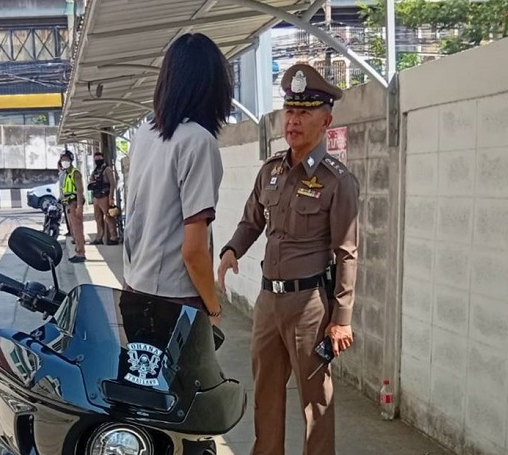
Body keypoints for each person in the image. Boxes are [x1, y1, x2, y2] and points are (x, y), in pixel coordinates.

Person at [217, 63, 360, 455]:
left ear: (325, 121)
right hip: (268, 302)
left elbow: (347, 252)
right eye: (290, 111)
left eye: (304, 113)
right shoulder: (271, 170)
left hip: (309, 306)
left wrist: (341, 318)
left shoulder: (337, 181)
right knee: (266, 394)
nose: (293, 121)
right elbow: (251, 220)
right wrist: (231, 250)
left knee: (315, 402)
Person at [122, 32, 233, 325]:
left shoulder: (144, 133)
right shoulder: (198, 142)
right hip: (174, 302)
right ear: (213, 87)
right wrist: (213, 308)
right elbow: (194, 250)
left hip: (134, 289)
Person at [88, 151, 120, 245]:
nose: (97, 160)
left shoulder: (107, 169)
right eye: (96, 158)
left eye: (99, 158)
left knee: (109, 216)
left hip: (105, 196)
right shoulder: (95, 170)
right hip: (96, 196)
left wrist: (111, 197)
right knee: (98, 218)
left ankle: (113, 237)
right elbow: (91, 181)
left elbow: (112, 183)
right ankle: (99, 237)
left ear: (103, 158)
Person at [59, 149, 86, 263]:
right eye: (62, 159)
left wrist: (79, 206)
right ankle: (78, 250)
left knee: (77, 229)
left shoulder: (75, 173)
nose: (64, 161)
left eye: (66, 159)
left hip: (74, 203)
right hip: (69, 204)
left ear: (71, 160)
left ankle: (80, 253)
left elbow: (79, 190)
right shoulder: (66, 174)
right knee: (73, 229)